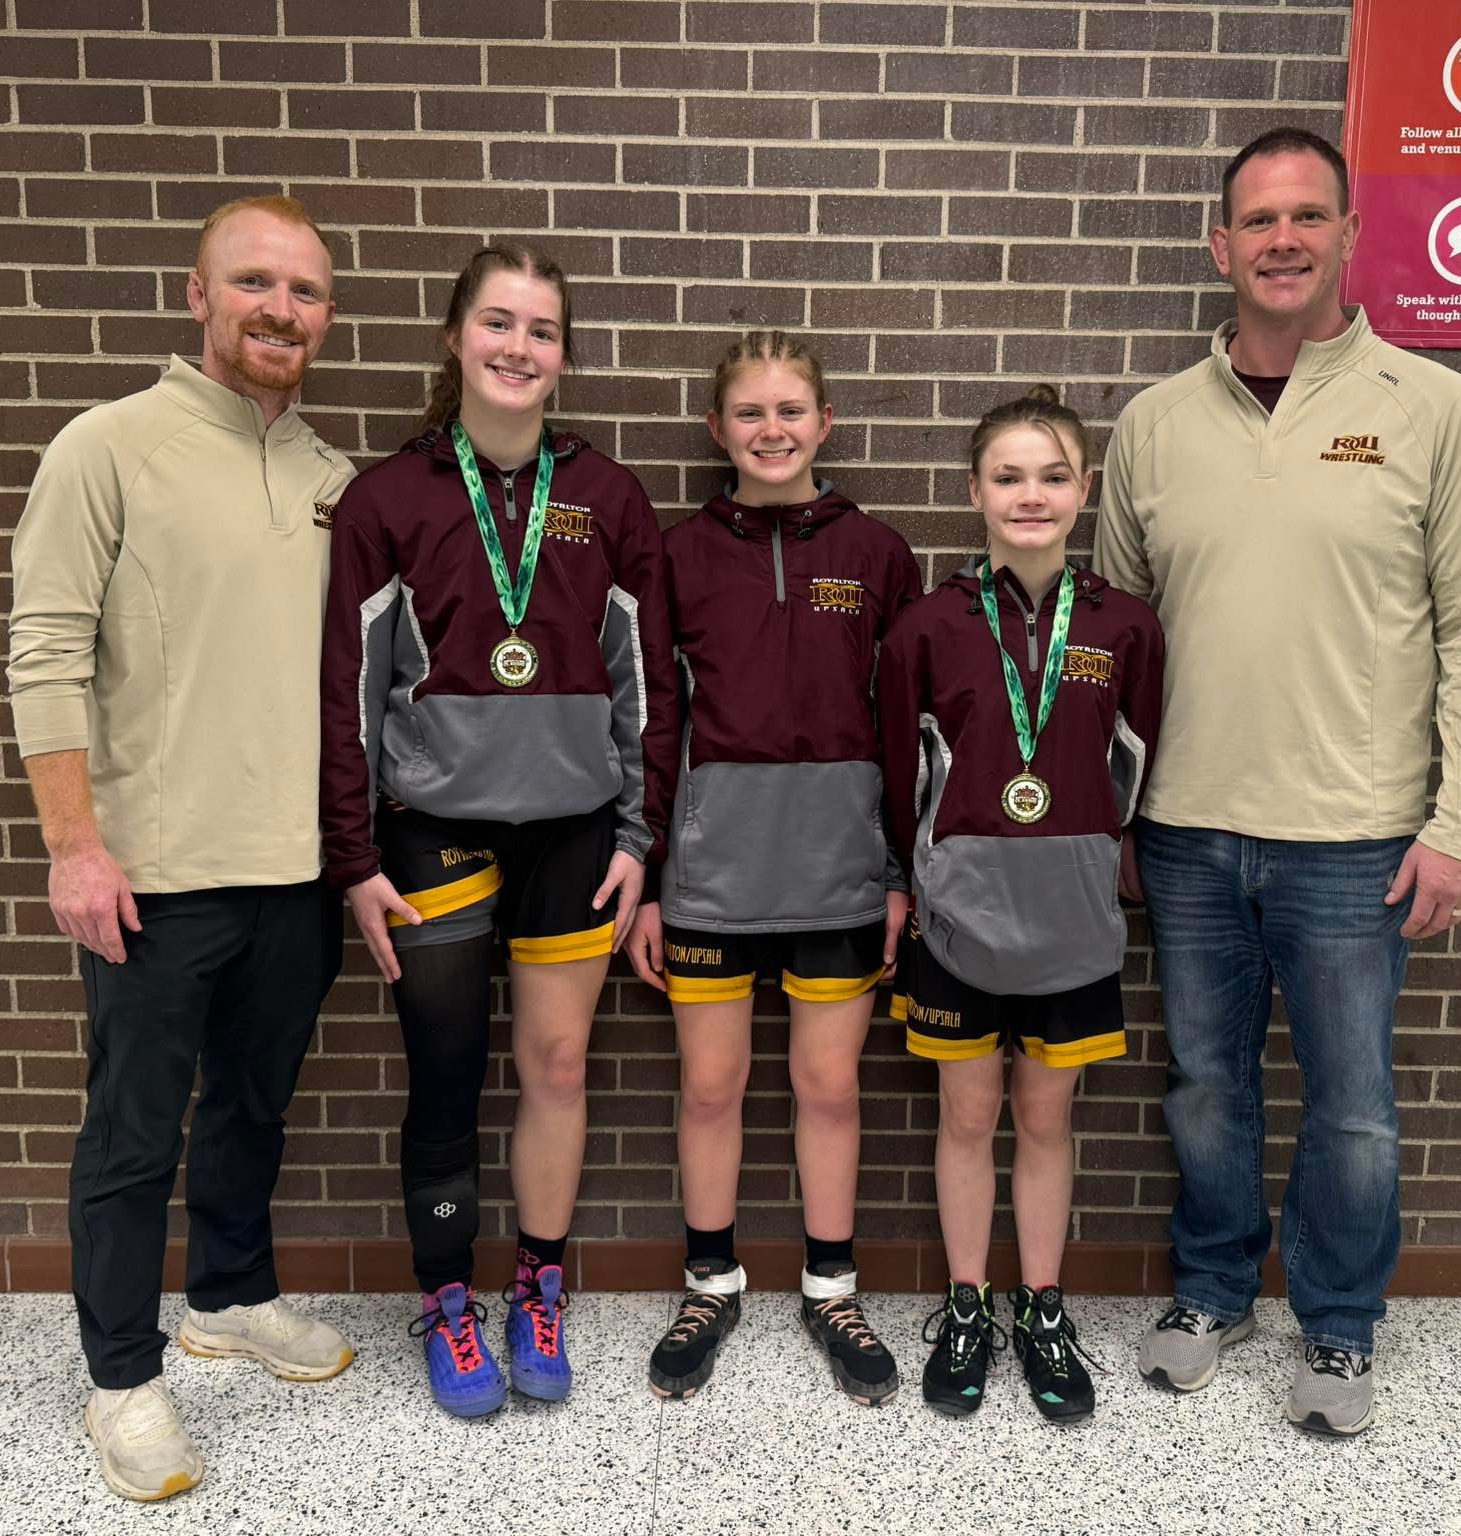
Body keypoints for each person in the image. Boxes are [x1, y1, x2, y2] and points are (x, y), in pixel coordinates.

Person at [1095, 126, 1461, 1436]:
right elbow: (1108, 647)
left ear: (1349, 238)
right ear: (1220, 248)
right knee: (1206, 1086)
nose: (1282, 239)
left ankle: (1337, 1329)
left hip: (1354, 842)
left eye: (1307, 217)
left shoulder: (1437, 410)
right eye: (1258, 220)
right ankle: (1213, 1292)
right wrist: (1103, 822)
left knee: (1355, 1111)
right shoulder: (1154, 426)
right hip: (1187, 835)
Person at [8, 195, 356, 1502]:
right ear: (196, 294)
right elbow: (43, 653)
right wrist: (72, 845)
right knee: (132, 1134)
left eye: (307, 291)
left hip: (296, 874)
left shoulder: (335, 481)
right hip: (151, 876)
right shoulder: (107, 448)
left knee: (257, 1105)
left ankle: (231, 1294)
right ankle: (123, 1382)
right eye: (254, 282)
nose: (282, 309)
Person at [318, 242, 678, 1419]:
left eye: (540, 330)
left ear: (563, 353)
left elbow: (646, 685)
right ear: (454, 336)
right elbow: (346, 690)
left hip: (575, 837)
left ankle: (536, 1284)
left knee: (558, 1066)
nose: (518, 348)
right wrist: (355, 857)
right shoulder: (388, 499)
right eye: (497, 323)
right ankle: (444, 1300)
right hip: (431, 839)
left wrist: (640, 836)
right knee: (445, 1071)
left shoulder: (608, 496)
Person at [621, 331, 921, 1406]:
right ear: (717, 430)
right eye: (749, 412)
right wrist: (649, 874)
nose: (771, 429)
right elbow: (653, 726)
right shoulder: (675, 555)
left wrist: (897, 872)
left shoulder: (879, 556)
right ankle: (711, 1279)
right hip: (711, 872)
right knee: (710, 1085)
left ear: (824, 423)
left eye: (791, 409)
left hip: (838, 868)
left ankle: (830, 1286)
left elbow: (900, 730)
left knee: (827, 1085)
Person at [878, 387, 1164, 1423]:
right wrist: (905, 887)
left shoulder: (1126, 627)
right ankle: (966, 1306)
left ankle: (1041, 1306)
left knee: (1045, 1119)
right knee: (965, 1117)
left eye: (1051, 476)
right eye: (1007, 475)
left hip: (1074, 922)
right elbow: (893, 775)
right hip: (959, 917)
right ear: (973, 491)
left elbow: (1137, 768)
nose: (1029, 495)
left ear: (1084, 490)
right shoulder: (924, 627)